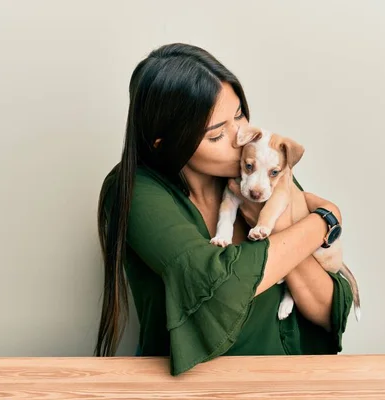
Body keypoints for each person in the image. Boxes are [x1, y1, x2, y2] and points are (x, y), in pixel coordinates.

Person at [95, 43, 354, 376]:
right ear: (166, 144)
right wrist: (323, 221)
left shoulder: (257, 171)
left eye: (239, 116)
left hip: (286, 380)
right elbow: (217, 289)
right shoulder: (133, 191)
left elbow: (329, 309)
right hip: (188, 389)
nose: (240, 137)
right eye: (218, 134)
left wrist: (278, 227)